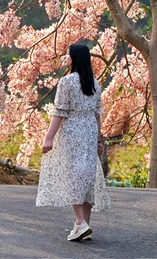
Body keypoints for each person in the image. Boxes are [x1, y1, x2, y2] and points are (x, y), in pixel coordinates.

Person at [37, 41, 111, 241]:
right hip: (89, 132)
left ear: (74, 58)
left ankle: (81, 223)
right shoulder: (95, 83)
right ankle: (84, 225)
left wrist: (49, 138)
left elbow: (60, 112)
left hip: (72, 131)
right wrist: (98, 140)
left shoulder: (67, 82)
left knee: (73, 176)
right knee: (87, 176)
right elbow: (98, 115)